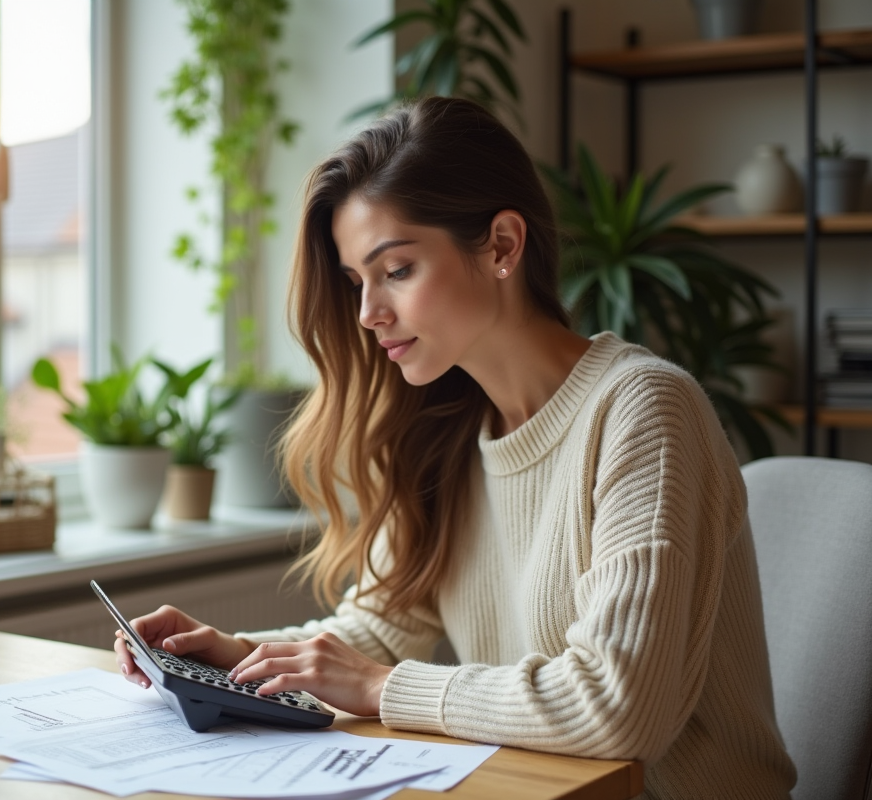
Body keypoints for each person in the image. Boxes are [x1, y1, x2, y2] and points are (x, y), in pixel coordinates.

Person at [115, 96, 796, 799]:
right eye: (356, 281)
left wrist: (379, 688)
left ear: (502, 245)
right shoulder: (444, 431)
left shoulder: (643, 411)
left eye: (397, 270)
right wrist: (231, 656)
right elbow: (374, 632)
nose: (367, 313)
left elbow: (615, 707)